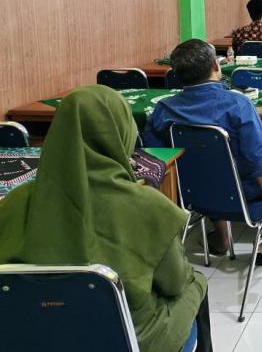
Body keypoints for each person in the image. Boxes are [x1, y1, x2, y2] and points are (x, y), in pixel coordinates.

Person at [0, 86, 213, 352]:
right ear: (122, 132)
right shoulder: (148, 206)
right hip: (129, 339)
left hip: (33, 336)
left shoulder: (15, 201)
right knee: (196, 282)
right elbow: (175, 283)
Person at [143, 39, 262, 262]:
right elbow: (260, 162)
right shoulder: (238, 105)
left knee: (208, 163)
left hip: (198, 189)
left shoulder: (163, 109)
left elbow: (155, 158)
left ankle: (222, 238)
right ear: (215, 66)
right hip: (245, 186)